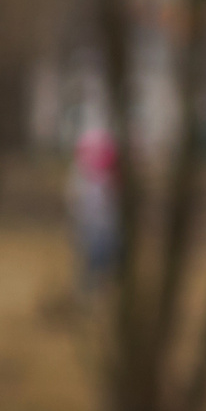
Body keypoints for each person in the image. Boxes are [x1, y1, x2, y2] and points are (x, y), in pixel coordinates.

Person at [68, 125, 120, 297]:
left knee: (100, 259)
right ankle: (90, 290)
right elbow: (75, 202)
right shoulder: (82, 175)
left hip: (101, 226)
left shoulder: (102, 176)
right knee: (92, 260)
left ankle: (96, 289)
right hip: (92, 226)